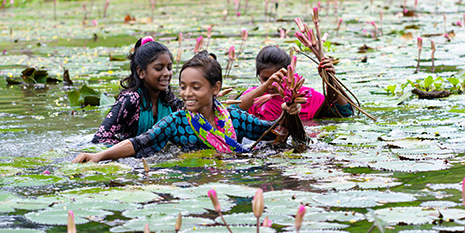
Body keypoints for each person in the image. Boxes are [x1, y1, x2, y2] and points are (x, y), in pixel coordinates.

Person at [73, 51, 301, 163]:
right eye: (182, 87)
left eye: (196, 87)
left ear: (215, 88)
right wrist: (98, 156)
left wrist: (290, 110)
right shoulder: (177, 122)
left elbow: (274, 132)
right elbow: (140, 143)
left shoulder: (235, 118)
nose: (187, 94)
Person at [91, 37, 183, 146]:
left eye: (169, 68)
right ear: (141, 72)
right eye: (159, 68)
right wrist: (131, 150)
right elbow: (100, 138)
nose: (167, 73)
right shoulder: (131, 100)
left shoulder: (170, 102)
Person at [237, 46, 352, 121]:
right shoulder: (253, 96)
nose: (271, 85)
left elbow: (345, 112)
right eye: (264, 79)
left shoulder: (306, 95)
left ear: (288, 74)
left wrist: (330, 79)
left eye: (277, 79)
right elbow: (233, 112)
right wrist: (264, 86)